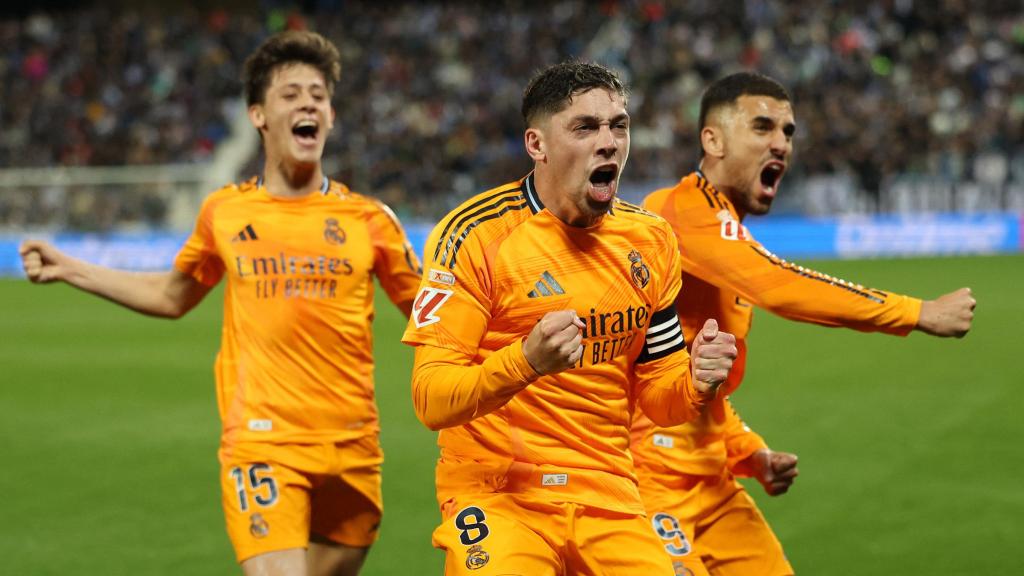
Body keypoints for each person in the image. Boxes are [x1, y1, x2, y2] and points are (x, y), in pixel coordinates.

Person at [19, 30, 423, 576]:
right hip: (263, 441)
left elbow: (433, 318)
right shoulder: (225, 213)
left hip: (355, 449)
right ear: (258, 115)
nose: (308, 102)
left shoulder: (371, 220)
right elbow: (171, 295)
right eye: (290, 93)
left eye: (319, 94)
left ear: (330, 116)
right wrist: (70, 267)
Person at [400, 60, 739, 575]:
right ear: (537, 145)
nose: (609, 142)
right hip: (499, 493)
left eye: (618, 125)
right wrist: (526, 361)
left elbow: (658, 394)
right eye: (584, 127)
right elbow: (431, 398)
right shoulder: (475, 236)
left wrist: (695, 382)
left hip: (608, 493)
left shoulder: (650, 240)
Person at [633, 71, 977, 576]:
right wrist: (916, 311)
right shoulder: (675, 211)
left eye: (788, 132)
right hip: (646, 481)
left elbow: (703, 386)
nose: (781, 143)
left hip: (711, 480)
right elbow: (781, 286)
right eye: (763, 126)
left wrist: (750, 453)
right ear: (713, 139)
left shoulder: (728, 245)